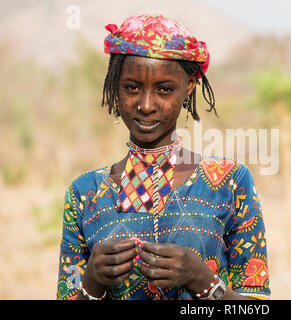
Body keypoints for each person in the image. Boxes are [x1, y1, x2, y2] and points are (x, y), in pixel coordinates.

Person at [56, 13, 270, 300]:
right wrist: (91, 284)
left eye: (164, 89)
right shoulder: (84, 194)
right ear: (115, 90)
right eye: (132, 87)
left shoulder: (230, 182)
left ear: (189, 87)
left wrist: (203, 280)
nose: (146, 105)